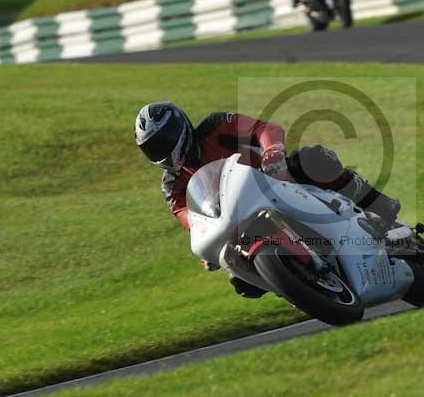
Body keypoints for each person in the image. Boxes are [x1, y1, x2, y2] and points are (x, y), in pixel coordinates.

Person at [135, 101, 401, 297]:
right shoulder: (172, 186)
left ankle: (377, 203)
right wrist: (208, 251)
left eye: (165, 140)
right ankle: (301, 281)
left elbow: (264, 128)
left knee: (312, 159)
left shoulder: (216, 125)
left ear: (181, 128)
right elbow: (192, 220)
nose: (163, 151)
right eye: (153, 148)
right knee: (243, 284)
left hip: (275, 180)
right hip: (237, 221)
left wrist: (272, 150)